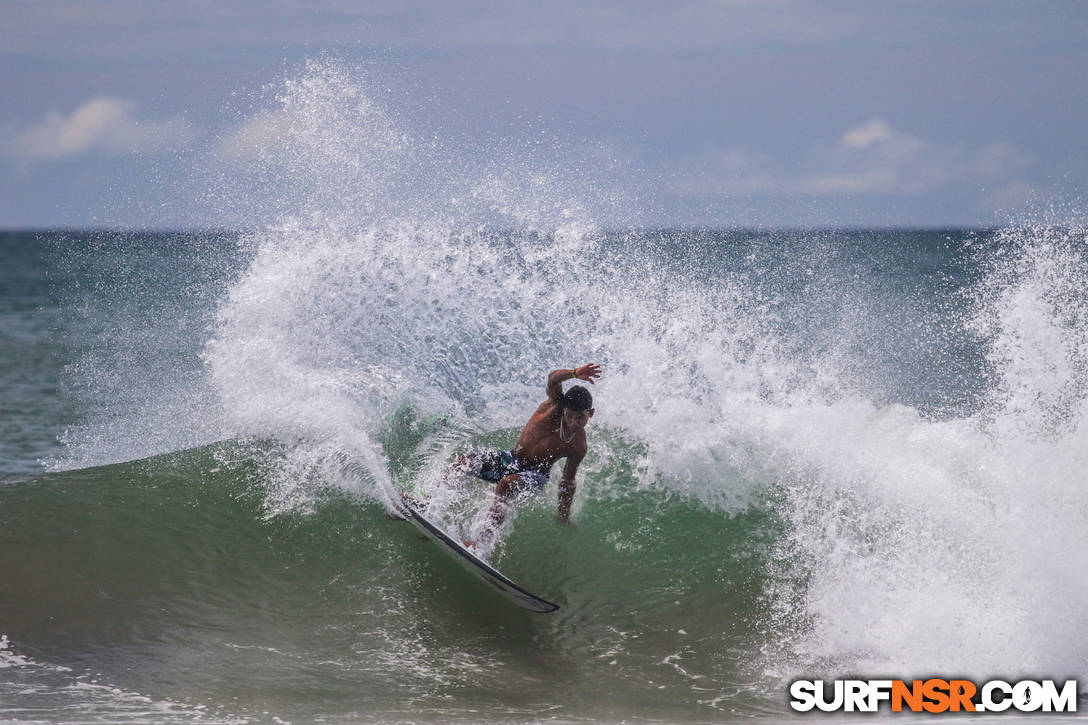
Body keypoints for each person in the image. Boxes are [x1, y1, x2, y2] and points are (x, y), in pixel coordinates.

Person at [458, 364, 601, 551]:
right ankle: (427, 505)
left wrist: (563, 515)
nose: (574, 422)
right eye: (570, 416)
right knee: (464, 462)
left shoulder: (578, 446)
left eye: (581, 417)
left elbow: (568, 482)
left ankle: (481, 545)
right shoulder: (555, 406)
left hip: (536, 476)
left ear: (590, 413)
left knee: (506, 485)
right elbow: (553, 378)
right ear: (563, 410)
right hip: (510, 459)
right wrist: (574, 373)